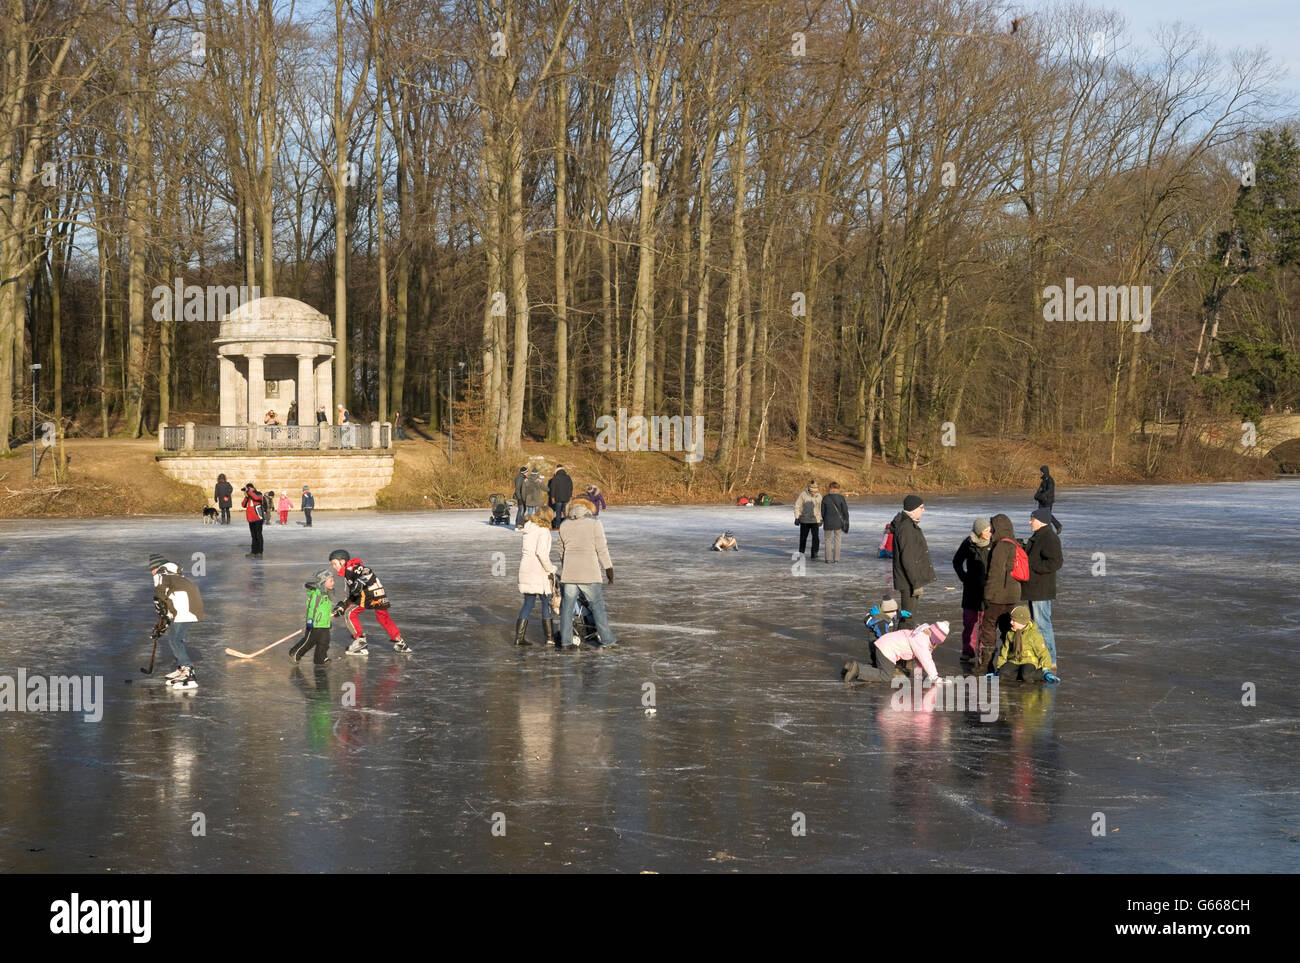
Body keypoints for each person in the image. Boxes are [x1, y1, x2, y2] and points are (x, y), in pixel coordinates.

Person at [557, 497, 617, 648]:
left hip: (569, 574)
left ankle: (566, 640)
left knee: (567, 608)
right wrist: (608, 568)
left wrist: (567, 566)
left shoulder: (564, 524)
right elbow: (601, 548)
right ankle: (607, 640)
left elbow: (560, 550)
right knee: (597, 607)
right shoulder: (595, 523)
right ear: (588, 508)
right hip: (589, 572)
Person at [328, 549, 410, 655]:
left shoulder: (350, 568)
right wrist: (343, 605)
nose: (334, 567)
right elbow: (354, 592)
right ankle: (400, 642)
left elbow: (366, 571)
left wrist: (361, 580)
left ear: (342, 561)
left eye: (335, 563)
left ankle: (360, 642)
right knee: (383, 617)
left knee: (350, 613)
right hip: (379, 593)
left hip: (368, 595)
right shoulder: (350, 570)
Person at [149, 554, 205, 689]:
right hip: (187, 607)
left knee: (175, 639)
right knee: (175, 638)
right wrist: (162, 627)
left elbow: (161, 596)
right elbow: (168, 607)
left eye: (152, 569)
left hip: (185, 609)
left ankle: (188, 672)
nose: (151, 572)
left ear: (157, 567)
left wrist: (159, 603)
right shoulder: (174, 575)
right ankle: (182, 669)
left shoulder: (161, 574)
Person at [978, 513, 1022, 671]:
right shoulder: (1015, 543)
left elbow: (994, 573)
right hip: (1012, 595)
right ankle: (1010, 663)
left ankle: (987, 664)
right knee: (1008, 629)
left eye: (992, 528)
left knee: (989, 627)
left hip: (998, 596)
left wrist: (987, 595)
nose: (991, 532)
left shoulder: (1000, 546)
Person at [843, 621, 949, 686]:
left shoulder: (920, 633)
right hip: (886, 649)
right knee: (886, 675)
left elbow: (919, 659)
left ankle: (850, 667)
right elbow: (926, 659)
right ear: (935, 639)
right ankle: (857, 669)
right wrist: (934, 677)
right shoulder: (922, 641)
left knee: (880, 668)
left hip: (883, 644)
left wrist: (918, 676)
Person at [1024, 506, 1063, 667]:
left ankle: (1050, 659)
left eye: (1032, 519)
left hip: (1041, 588)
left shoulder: (1048, 537)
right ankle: (1043, 657)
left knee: (1042, 624)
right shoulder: (1039, 535)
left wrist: (1033, 566)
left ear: (1040, 521)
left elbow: (1056, 562)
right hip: (1035, 587)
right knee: (1036, 624)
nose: (1029, 522)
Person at [953, 516, 992, 664]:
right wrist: (964, 578)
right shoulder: (968, 543)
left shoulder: (993, 544)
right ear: (979, 531)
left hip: (987, 590)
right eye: (986, 530)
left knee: (984, 623)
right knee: (969, 623)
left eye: (990, 530)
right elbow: (956, 561)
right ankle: (967, 651)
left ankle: (982, 652)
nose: (989, 533)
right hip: (970, 590)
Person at [516, 506, 557, 645]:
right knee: (546, 602)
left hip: (526, 568)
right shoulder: (543, 531)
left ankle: (519, 638)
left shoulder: (529, 529)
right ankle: (550, 638)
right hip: (538, 571)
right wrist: (551, 569)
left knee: (528, 604)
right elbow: (541, 553)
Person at [990, 605, 1060, 683]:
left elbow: (1043, 652)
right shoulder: (1010, 633)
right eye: (1011, 619)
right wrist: (999, 668)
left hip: (1029, 661)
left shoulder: (1034, 635)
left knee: (1027, 676)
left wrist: (1046, 669)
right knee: (1002, 675)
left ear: (1021, 622)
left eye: (1014, 620)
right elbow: (1004, 652)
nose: (1011, 622)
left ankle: (1040, 674)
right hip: (1014, 660)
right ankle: (1018, 675)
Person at [890, 494, 935, 606]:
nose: (923, 510)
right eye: (921, 507)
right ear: (914, 509)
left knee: (909, 617)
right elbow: (907, 558)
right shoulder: (907, 528)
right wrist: (916, 584)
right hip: (908, 582)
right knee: (909, 619)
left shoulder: (908, 525)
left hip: (908, 580)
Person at [290, 569, 334, 664]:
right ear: (323, 582)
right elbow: (312, 608)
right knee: (309, 642)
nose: (333, 583)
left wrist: (327, 620)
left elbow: (325, 609)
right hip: (315, 624)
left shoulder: (327, 593)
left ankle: (320, 659)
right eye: (330, 581)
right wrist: (310, 620)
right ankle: (296, 654)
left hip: (324, 624)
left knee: (325, 642)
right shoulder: (317, 594)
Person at [820, 481, 849, 563]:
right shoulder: (841, 498)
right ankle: (836, 559)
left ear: (830, 488)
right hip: (838, 523)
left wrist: (823, 519)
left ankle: (828, 559)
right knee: (838, 540)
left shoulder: (825, 498)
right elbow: (845, 512)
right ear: (838, 489)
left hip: (828, 522)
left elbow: (822, 512)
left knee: (827, 540)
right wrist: (846, 521)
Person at [793, 479, 823, 559]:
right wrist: (797, 517)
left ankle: (814, 553)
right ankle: (801, 552)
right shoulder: (803, 495)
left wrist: (821, 519)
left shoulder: (819, 496)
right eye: (812, 491)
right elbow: (797, 506)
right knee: (803, 537)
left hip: (815, 520)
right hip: (804, 520)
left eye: (815, 491)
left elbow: (820, 508)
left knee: (816, 537)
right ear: (809, 489)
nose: (813, 492)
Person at [1033, 465, 1063, 533]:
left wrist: (1043, 495)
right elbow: (1040, 489)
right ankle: (1042, 529)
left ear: (1045, 472)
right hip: (1042, 500)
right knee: (1041, 514)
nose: (1040, 473)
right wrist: (1036, 495)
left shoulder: (1050, 480)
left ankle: (1057, 526)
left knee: (1047, 515)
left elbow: (1050, 490)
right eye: (1040, 472)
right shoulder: (1043, 481)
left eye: (1042, 472)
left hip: (1048, 501)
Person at [242, 482, 265, 557]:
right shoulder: (249, 496)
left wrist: (249, 492)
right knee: (253, 536)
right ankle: (253, 551)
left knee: (258, 535)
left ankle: (260, 551)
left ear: (252, 488)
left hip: (258, 518)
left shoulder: (258, 493)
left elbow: (256, 498)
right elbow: (243, 505)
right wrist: (246, 496)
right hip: (251, 519)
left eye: (248, 488)